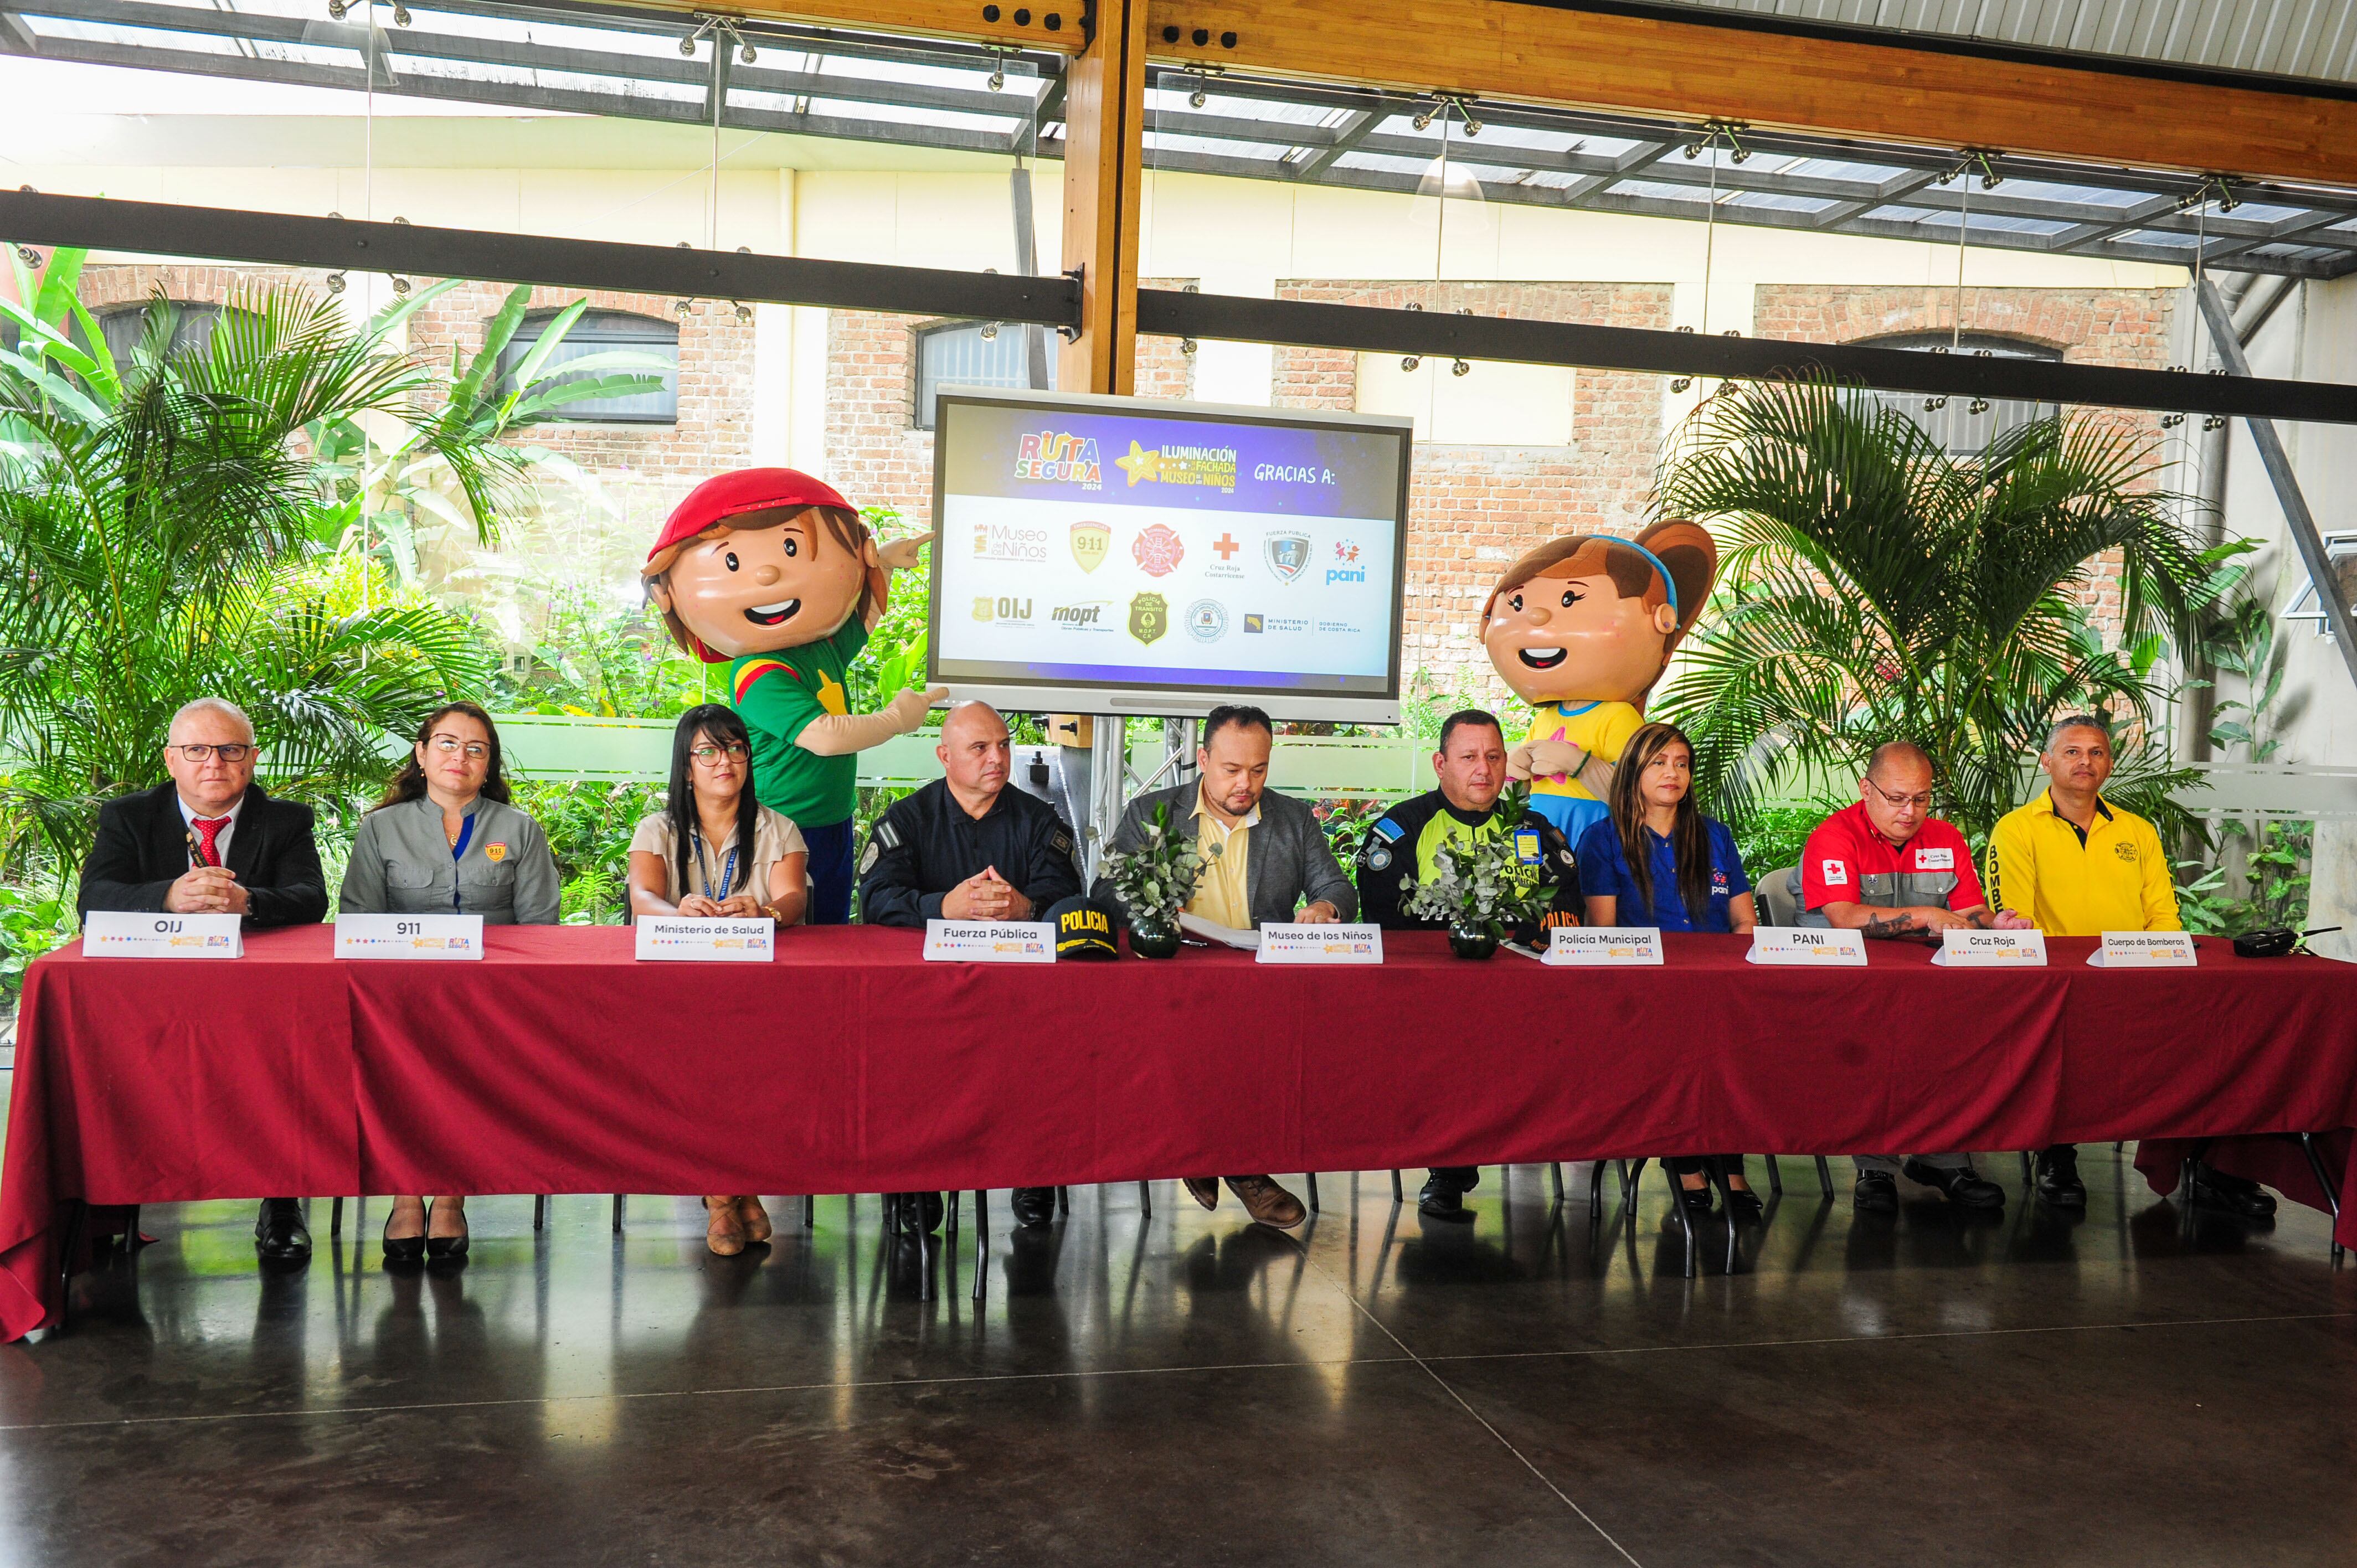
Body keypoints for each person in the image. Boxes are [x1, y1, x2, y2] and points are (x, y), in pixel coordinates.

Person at [76, 697, 329, 1266]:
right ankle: (109, 1202)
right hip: (152, 996)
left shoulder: (285, 819)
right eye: (197, 750)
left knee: (285, 1066)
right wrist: (168, 896)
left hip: (254, 999)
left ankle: (282, 1204)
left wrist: (248, 901)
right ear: (171, 760)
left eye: (230, 749)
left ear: (252, 758)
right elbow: (93, 902)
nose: (213, 762)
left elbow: (311, 900)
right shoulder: (129, 816)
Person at [1987, 717, 2269, 1215]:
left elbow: (2163, 915)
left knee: (2209, 1038)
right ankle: (2058, 1156)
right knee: (2065, 1046)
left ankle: (2205, 1161)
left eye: (2096, 753)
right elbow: (2014, 919)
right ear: (2047, 762)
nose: (2085, 762)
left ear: (2110, 765)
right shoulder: (2016, 829)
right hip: (2058, 982)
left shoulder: (2137, 831)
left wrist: (2160, 968)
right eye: (2072, 752)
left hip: (2134, 974)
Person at [1093, 705, 1357, 1230]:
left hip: (1258, 977)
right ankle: (1239, 1167)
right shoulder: (1151, 813)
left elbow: (1337, 888)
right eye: (1232, 770)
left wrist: (1325, 909)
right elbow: (1104, 893)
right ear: (1202, 758)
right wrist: (1151, 908)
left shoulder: (1291, 819)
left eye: (1258, 770)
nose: (1246, 784)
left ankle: (1209, 1155)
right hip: (1175, 975)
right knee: (1196, 1038)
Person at [640, 469, 942, 927]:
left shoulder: (817, 647)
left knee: (831, 929)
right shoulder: (757, 674)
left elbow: (864, 620)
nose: (768, 574)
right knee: (788, 932)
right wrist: (898, 718)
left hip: (832, 819)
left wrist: (879, 563)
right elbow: (824, 736)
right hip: (780, 830)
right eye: (734, 563)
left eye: (790, 547)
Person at [341, 703, 562, 1265]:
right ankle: (406, 1193)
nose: (458, 756)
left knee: (470, 1067)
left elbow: (541, 926)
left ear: (488, 766)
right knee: (397, 1065)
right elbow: (360, 918)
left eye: (475, 748)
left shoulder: (519, 829)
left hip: (492, 997)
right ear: (421, 753)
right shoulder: (380, 828)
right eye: (446, 743)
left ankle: (450, 1196)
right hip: (403, 994)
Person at [858, 700, 1083, 1234]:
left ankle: (1036, 1170)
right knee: (899, 1050)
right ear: (945, 756)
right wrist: (944, 907)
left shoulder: (1039, 819)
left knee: (1050, 1042)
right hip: (927, 998)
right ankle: (914, 1178)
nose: (997, 759)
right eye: (980, 748)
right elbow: (876, 897)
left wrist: (1024, 908)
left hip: (1017, 997)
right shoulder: (906, 820)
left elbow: (1066, 893)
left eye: (1003, 745)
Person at [1356, 708, 1583, 1221]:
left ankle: (1548, 1138)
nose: (1483, 769)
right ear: (1441, 763)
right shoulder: (1402, 830)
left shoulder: (1536, 829)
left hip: (1527, 995)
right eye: (1468, 757)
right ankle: (1449, 1173)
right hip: (1438, 999)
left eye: (1494, 757)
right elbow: (1391, 927)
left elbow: (1566, 914)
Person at [1798, 741, 2032, 1214]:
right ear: (1867, 789)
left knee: (1964, 1041)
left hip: (1934, 990)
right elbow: (1844, 916)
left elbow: (1970, 911)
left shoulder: (1946, 838)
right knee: (1873, 1050)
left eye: (1922, 799)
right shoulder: (1834, 836)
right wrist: (1926, 915)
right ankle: (1875, 1169)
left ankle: (1943, 1160)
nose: (1910, 812)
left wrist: (1996, 924)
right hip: (1855, 991)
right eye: (1897, 798)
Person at [629, 704, 810, 1255]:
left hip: (760, 994)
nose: (723, 761)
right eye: (707, 751)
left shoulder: (778, 828)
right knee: (701, 1065)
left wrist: (767, 914)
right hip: (676, 995)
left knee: (756, 1068)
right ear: (686, 768)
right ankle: (731, 1193)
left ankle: (727, 1193)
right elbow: (641, 900)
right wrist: (674, 911)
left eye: (734, 748)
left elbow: (794, 900)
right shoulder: (656, 828)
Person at [1577, 720, 1762, 1220]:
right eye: (1659, 762)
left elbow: (1744, 921)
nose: (1672, 773)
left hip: (1718, 984)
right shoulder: (1603, 839)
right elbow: (1605, 936)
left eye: (1681, 764)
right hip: (1645, 991)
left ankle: (1731, 1165)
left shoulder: (1715, 836)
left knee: (1734, 1049)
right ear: (1633, 770)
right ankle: (1687, 1167)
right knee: (1683, 1047)